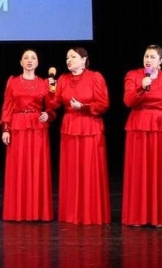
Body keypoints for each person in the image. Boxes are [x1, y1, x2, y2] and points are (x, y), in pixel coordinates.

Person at [121, 44, 162, 227]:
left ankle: (161, 216)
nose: (148, 59)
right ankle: (137, 216)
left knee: (161, 171)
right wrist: (141, 87)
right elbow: (128, 101)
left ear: (160, 61)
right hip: (139, 126)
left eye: (152, 57)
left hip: (161, 128)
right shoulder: (133, 76)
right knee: (139, 170)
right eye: (146, 56)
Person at [52, 46, 111, 224]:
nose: (69, 60)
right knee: (72, 171)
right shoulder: (63, 79)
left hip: (90, 127)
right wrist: (50, 89)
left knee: (89, 169)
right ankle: (72, 213)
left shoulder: (95, 77)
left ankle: (91, 213)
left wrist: (84, 106)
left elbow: (103, 104)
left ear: (84, 60)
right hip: (70, 127)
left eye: (73, 57)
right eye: (67, 57)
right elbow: (54, 103)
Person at [0, 49, 56, 221]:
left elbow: (52, 107)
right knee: (18, 168)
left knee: (37, 167)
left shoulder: (45, 83)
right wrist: (6, 129)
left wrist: (49, 115)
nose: (29, 60)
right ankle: (17, 211)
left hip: (37, 127)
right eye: (26, 58)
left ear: (37, 62)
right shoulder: (13, 82)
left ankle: (38, 211)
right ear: (21, 62)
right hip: (18, 126)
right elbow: (7, 106)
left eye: (33, 58)